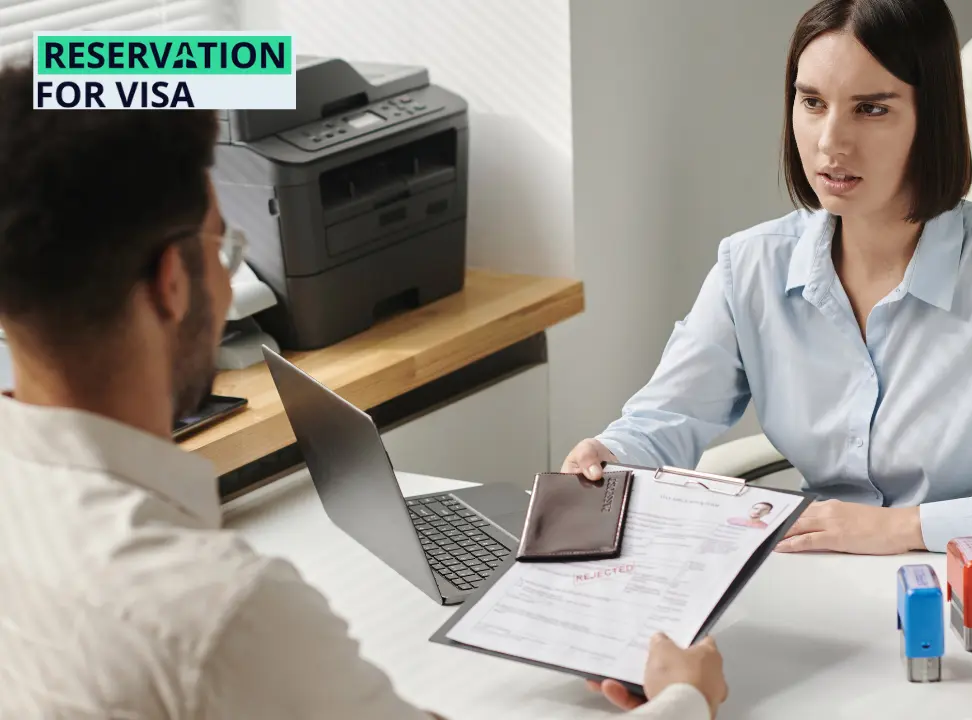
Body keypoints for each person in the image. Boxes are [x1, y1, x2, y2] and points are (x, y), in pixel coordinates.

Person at [0, 64, 726, 720]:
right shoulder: (223, 613)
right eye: (226, 248)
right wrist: (686, 699)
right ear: (171, 283)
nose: (229, 280)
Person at [563, 0, 972, 571]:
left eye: (872, 108)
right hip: (825, 583)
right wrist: (610, 456)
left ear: (931, 119)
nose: (831, 142)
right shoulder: (750, 267)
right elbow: (665, 421)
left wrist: (905, 528)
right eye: (812, 102)